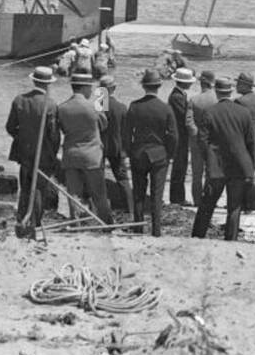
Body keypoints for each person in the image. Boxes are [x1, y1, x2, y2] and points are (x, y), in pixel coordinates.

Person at [191, 76, 255, 241]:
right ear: (231, 91)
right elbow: (251, 141)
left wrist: (208, 160)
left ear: (216, 92)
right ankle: (231, 238)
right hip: (240, 164)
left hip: (217, 165)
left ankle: (198, 236)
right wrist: (252, 165)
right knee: (234, 206)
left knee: (208, 204)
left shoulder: (210, 112)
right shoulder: (244, 112)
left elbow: (202, 141)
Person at [5, 66, 61, 231]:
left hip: (24, 152)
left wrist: (22, 138)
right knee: (38, 189)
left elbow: (10, 127)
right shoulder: (50, 105)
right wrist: (53, 153)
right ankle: (35, 222)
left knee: (25, 186)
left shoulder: (19, 100)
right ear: (48, 84)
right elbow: (54, 135)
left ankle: (23, 218)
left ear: (34, 80)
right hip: (43, 154)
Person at [124, 68, 178, 236]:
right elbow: (173, 136)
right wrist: (169, 154)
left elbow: (126, 134)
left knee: (138, 192)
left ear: (144, 87)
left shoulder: (134, 106)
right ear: (159, 87)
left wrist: (129, 151)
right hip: (159, 154)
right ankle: (156, 230)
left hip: (139, 153)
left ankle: (138, 227)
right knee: (157, 193)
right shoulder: (165, 108)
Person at [58, 72, 112, 224]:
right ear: (85, 88)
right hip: (92, 156)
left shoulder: (62, 107)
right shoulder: (93, 107)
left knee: (73, 195)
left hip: (71, 154)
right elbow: (104, 125)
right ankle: (106, 223)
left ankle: (75, 223)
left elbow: (61, 129)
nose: (92, 91)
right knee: (99, 194)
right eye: (90, 88)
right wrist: (104, 95)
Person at [99, 75, 134, 219]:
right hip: (117, 147)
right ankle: (130, 210)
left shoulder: (99, 106)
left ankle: (101, 210)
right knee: (122, 179)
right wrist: (126, 149)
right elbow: (127, 132)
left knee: (98, 178)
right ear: (114, 88)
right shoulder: (121, 107)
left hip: (100, 147)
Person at [167, 67, 198, 206]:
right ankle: (177, 198)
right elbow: (184, 115)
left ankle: (178, 197)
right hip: (179, 136)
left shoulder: (179, 95)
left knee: (181, 167)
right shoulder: (177, 97)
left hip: (179, 135)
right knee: (179, 167)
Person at [189, 70, 219, 206]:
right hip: (214, 141)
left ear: (201, 83)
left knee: (196, 174)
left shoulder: (194, 100)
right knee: (212, 172)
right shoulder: (218, 100)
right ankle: (210, 200)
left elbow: (188, 122)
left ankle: (197, 201)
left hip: (196, 141)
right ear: (212, 84)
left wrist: (198, 136)